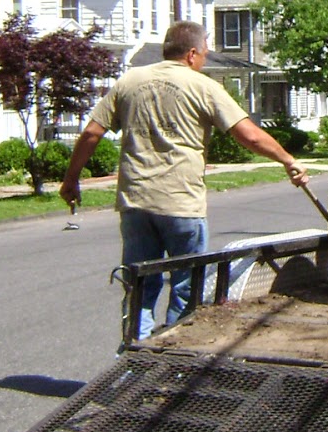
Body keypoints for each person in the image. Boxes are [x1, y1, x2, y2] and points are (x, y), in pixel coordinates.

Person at [60, 20, 310, 341]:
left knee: (139, 286)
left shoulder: (130, 81)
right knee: (184, 289)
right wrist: (287, 160)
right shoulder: (203, 87)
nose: (205, 59)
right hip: (182, 206)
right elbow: (248, 135)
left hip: (135, 204)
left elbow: (92, 133)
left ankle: (135, 359)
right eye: (204, 53)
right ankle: (174, 361)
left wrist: (71, 180)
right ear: (192, 54)